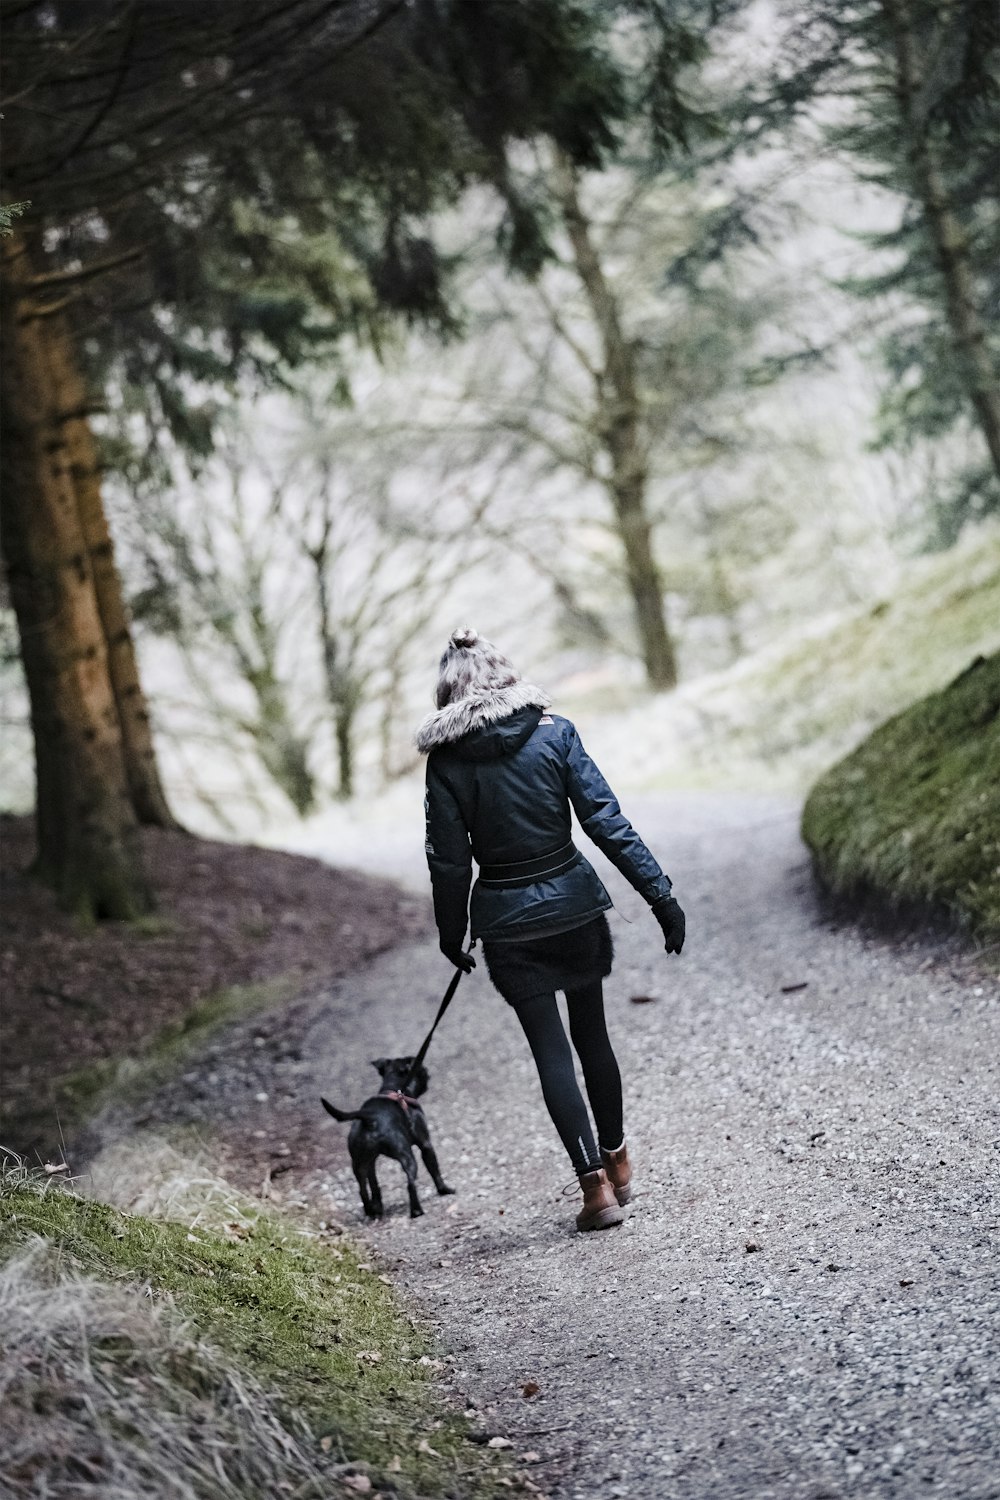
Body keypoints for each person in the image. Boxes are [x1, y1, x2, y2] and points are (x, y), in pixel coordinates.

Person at [417, 627, 685, 1232]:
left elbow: (449, 861)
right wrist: (659, 895)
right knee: (592, 1033)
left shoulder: (447, 763)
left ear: (447, 693)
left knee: (550, 1050)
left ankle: (594, 1190)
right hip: (574, 906)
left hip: (507, 922)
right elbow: (605, 821)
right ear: (505, 676)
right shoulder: (554, 733)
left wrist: (450, 932)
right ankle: (618, 1161)